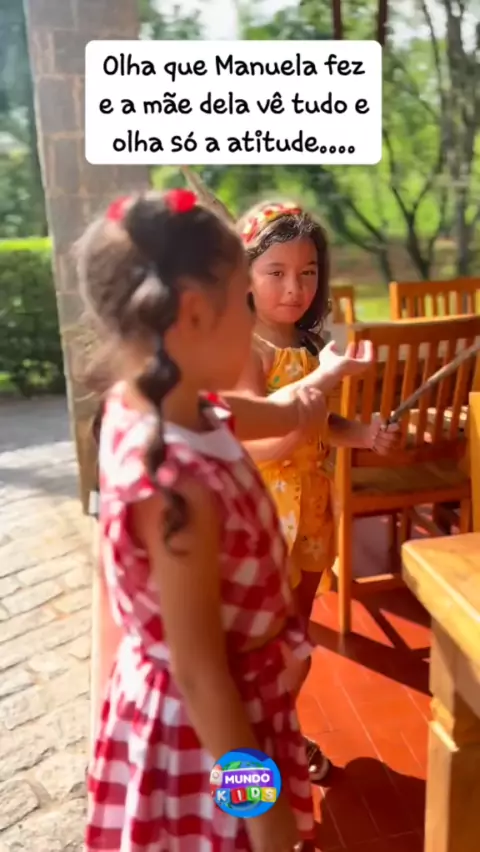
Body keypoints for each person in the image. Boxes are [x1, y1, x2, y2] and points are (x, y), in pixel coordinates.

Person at [81, 188, 330, 852]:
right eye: (243, 301)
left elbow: (246, 413)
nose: (254, 317)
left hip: (233, 698)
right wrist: (266, 819)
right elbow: (200, 675)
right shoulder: (178, 487)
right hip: (209, 734)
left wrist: (303, 403)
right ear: (194, 315)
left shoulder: (159, 397)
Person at [236, 200, 400, 781]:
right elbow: (250, 435)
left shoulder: (309, 344)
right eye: (276, 272)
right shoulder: (244, 348)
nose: (294, 288)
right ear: (244, 276)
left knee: (296, 639)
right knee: (261, 648)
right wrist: (318, 390)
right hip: (260, 523)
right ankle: (249, 761)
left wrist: (362, 433)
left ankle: (279, 732)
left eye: (307, 272)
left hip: (311, 515)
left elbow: (321, 421)